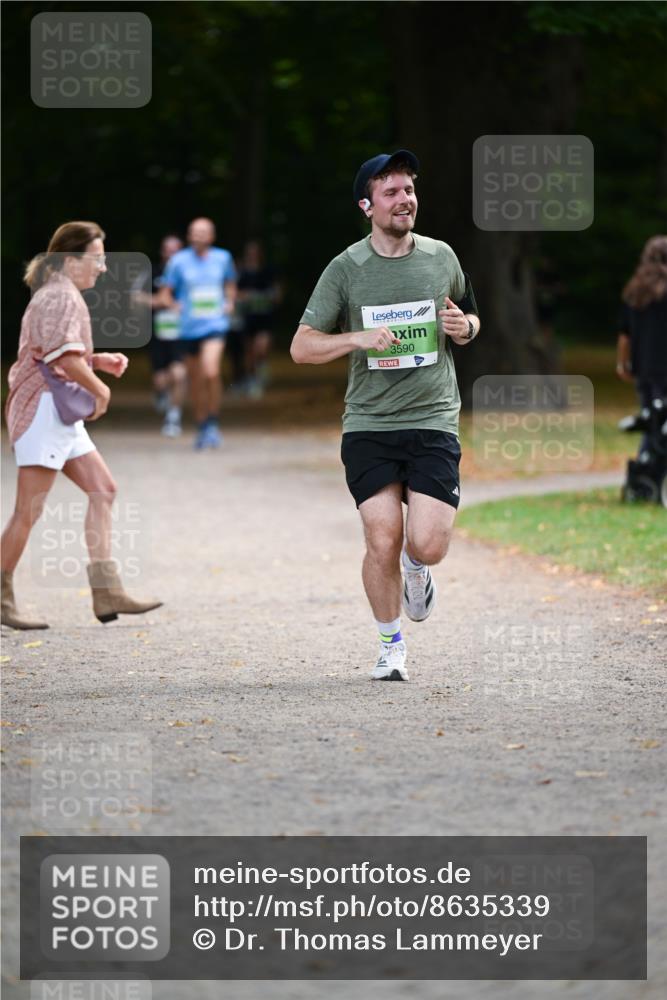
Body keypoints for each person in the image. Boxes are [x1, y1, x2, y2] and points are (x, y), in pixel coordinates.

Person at [291, 150, 480, 682]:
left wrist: (465, 328)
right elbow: (301, 348)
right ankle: (390, 645)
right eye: (393, 192)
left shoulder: (441, 256)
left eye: (410, 190)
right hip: (370, 424)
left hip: (433, 419)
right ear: (367, 205)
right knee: (380, 538)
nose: (406, 200)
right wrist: (358, 338)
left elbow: (469, 312)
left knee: (427, 544)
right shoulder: (346, 269)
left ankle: (417, 570)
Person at [1, 221, 163, 630]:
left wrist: (98, 360)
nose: (103, 267)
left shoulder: (60, 293)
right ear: (70, 260)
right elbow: (63, 361)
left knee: (102, 489)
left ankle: (106, 591)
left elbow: (58, 353)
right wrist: (101, 390)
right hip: (43, 410)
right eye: (96, 259)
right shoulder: (59, 297)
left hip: (55, 410)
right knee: (28, 511)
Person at [157, 218, 237, 449]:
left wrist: (230, 301)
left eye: (203, 232)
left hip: (215, 325)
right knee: (196, 381)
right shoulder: (178, 261)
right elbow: (165, 294)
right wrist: (173, 305)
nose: (199, 236)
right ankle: (203, 425)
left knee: (211, 371)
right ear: (189, 236)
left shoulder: (223, 258)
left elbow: (230, 285)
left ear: (212, 236)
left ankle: (212, 421)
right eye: (194, 232)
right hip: (188, 329)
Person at [616, 235, 667, 450]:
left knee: (651, 422)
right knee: (661, 423)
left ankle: (644, 473)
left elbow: (624, 335)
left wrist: (622, 364)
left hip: (643, 368)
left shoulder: (634, 291)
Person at [150, 234, 187, 437]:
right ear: (162, 251)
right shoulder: (153, 272)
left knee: (179, 375)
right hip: (159, 334)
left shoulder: (188, 273)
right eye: (168, 250)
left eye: (176, 250)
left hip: (182, 334)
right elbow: (136, 297)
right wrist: (162, 302)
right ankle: (161, 394)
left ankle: (174, 417)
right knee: (161, 380)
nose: (172, 254)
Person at [235, 239, 281, 398]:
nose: (252, 255)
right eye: (250, 252)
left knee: (261, 348)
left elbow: (277, 293)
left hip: (265, 317)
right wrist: (245, 297)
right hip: (247, 317)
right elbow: (234, 293)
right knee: (249, 352)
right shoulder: (241, 272)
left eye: (255, 252)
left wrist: (269, 297)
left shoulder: (268, 271)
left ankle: (261, 369)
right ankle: (252, 379)